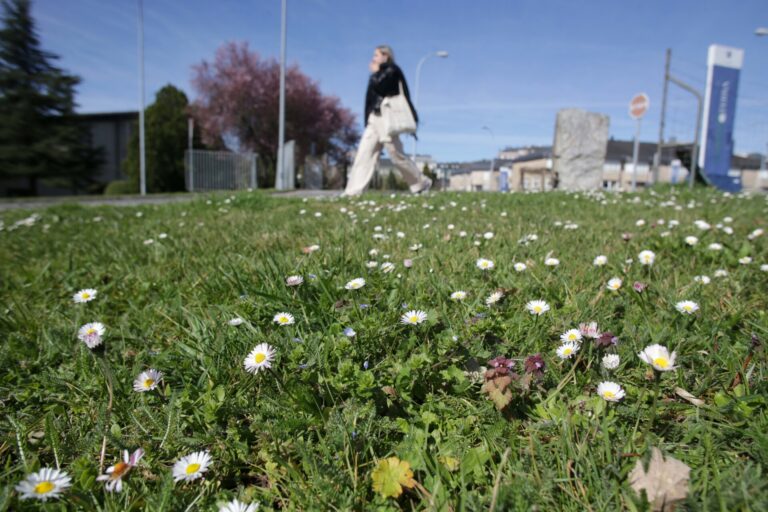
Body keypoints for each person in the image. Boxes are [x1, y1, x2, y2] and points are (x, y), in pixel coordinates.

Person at [343, 45, 432, 196]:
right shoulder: (378, 73)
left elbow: (382, 88)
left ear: (386, 56)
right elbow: (369, 100)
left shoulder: (392, 70)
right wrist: (367, 120)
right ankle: (353, 192)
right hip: (374, 118)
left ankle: (421, 183)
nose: (373, 58)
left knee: (395, 154)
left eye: (376, 55)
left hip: (386, 117)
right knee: (364, 154)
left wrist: (377, 71)